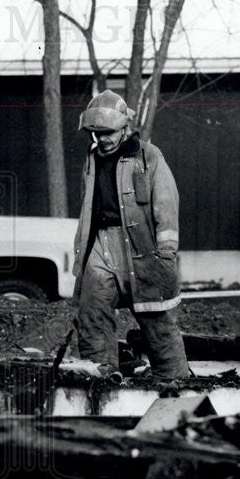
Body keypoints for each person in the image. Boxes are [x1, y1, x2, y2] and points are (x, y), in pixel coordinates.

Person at [72, 90, 190, 380]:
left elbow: (166, 203)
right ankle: (101, 379)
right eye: (96, 133)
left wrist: (166, 254)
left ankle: (175, 380)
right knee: (92, 311)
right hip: (100, 242)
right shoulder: (91, 159)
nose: (103, 139)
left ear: (125, 127)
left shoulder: (148, 156)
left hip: (141, 246)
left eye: (109, 132)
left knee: (155, 316)